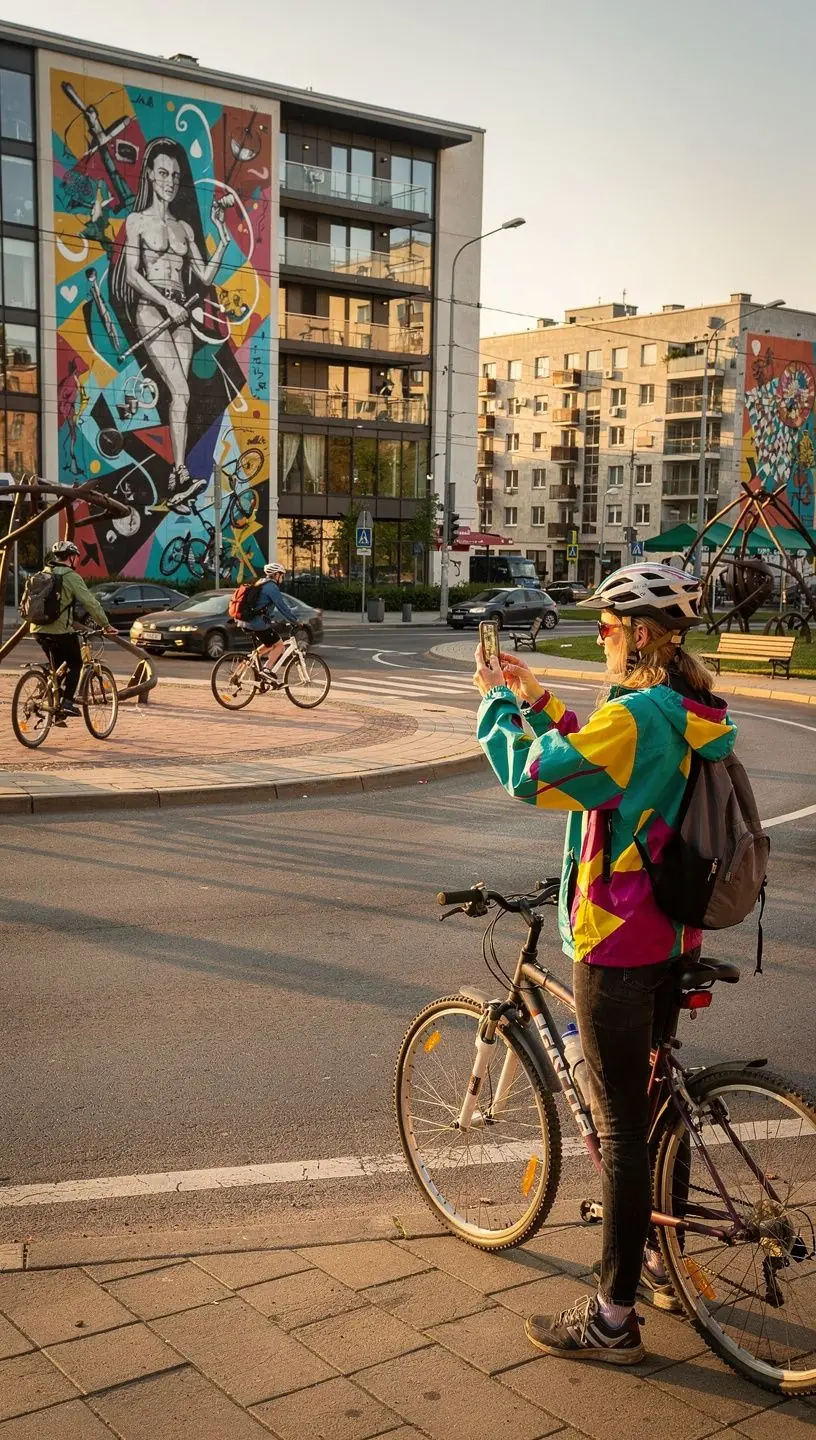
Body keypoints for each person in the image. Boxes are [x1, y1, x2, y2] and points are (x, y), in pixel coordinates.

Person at [473, 563, 737, 1365]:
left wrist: (491, 703)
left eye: (611, 625)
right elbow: (607, 753)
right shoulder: (684, 708)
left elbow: (542, 776)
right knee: (656, 1108)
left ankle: (613, 1320)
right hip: (671, 935)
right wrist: (540, 698)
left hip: (616, 945)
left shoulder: (642, 718)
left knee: (622, 1128)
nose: (601, 634)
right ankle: (660, 1261)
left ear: (645, 635)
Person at [109, 137, 231, 512]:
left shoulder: (183, 229)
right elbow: (130, 274)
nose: (170, 180)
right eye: (162, 172)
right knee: (178, 386)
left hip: (181, 312)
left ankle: (177, 474)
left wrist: (221, 233)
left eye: (175, 175)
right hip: (151, 308)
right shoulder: (136, 222)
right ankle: (177, 471)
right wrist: (164, 303)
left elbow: (205, 277)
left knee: (183, 394)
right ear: (149, 174)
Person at [28, 540, 117, 717]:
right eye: (76, 556)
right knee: (75, 663)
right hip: (60, 631)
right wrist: (106, 625)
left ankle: (54, 705)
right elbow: (91, 603)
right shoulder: (71, 576)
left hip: (37, 629)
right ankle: (67, 702)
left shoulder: (43, 573)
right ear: (71, 557)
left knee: (58, 667)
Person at [237, 561, 302, 676]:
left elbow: (261, 605)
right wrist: (296, 621)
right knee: (280, 646)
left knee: (268, 644)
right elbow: (283, 607)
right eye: (281, 575)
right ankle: (267, 670)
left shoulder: (260, 583)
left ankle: (238, 673)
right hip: (257, 623)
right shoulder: (271, 587)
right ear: (276, 575)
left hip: (246, 621)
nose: (282, 578)